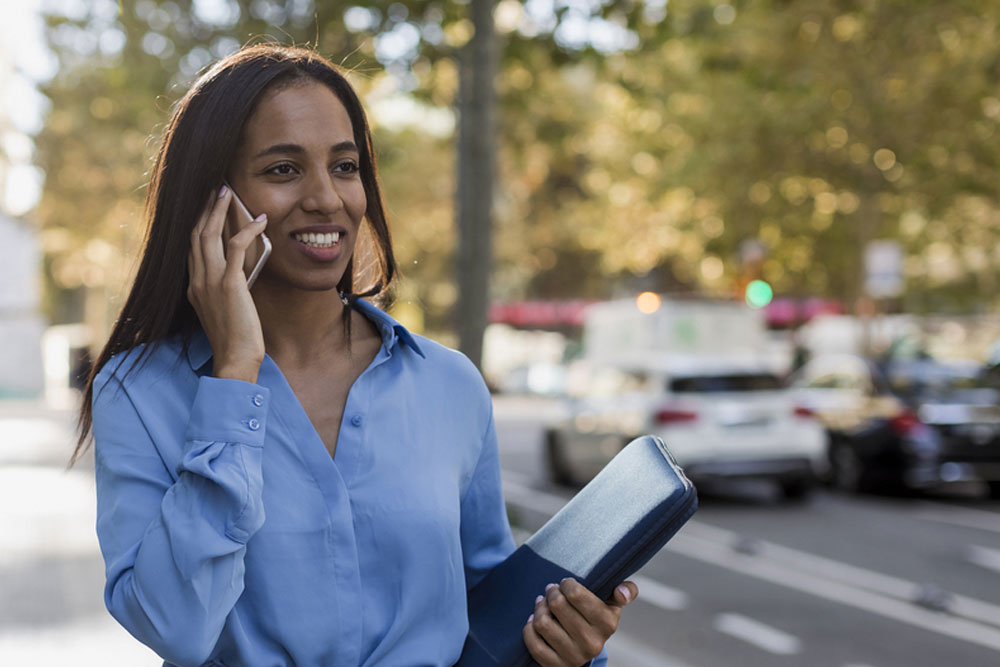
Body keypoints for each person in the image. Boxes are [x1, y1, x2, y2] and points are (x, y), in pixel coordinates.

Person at [75, 43, 637, 666]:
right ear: (213, 198)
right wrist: (234, 376)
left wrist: (569, 646)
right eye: (284, 169)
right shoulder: (139, 390)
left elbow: (492, 613)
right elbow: (176, 627)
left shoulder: (449, 385)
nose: (327, 199)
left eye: (345, 167)